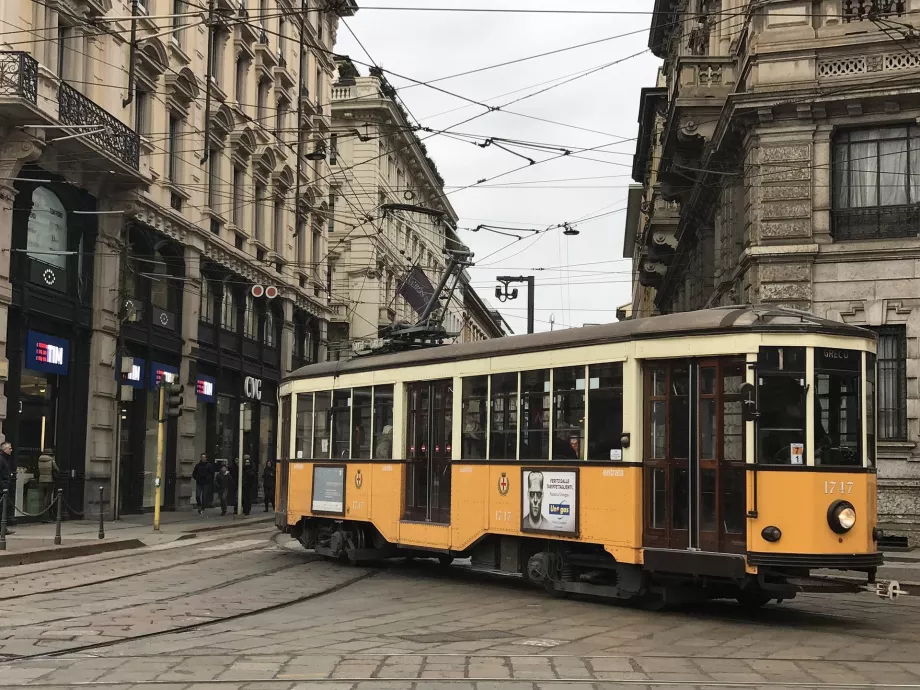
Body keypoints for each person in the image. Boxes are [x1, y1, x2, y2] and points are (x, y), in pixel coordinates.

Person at [37, 448, 59, 519]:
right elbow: (56, 469)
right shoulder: (51, 460)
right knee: (48, 498)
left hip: (41, 480)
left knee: (43, 497)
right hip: (49, 481)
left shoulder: (39, 459)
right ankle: (46, 516)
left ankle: (43, 514)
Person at [0, 442, 15, 534]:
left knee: (3, 509)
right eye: (10, 448)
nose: (11, 450)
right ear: (5, 449)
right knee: (1, 509)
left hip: (4, 488)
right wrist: (4, 485)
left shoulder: (5, 458)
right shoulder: (1, 459)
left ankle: (2, 528)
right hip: (2, 489)